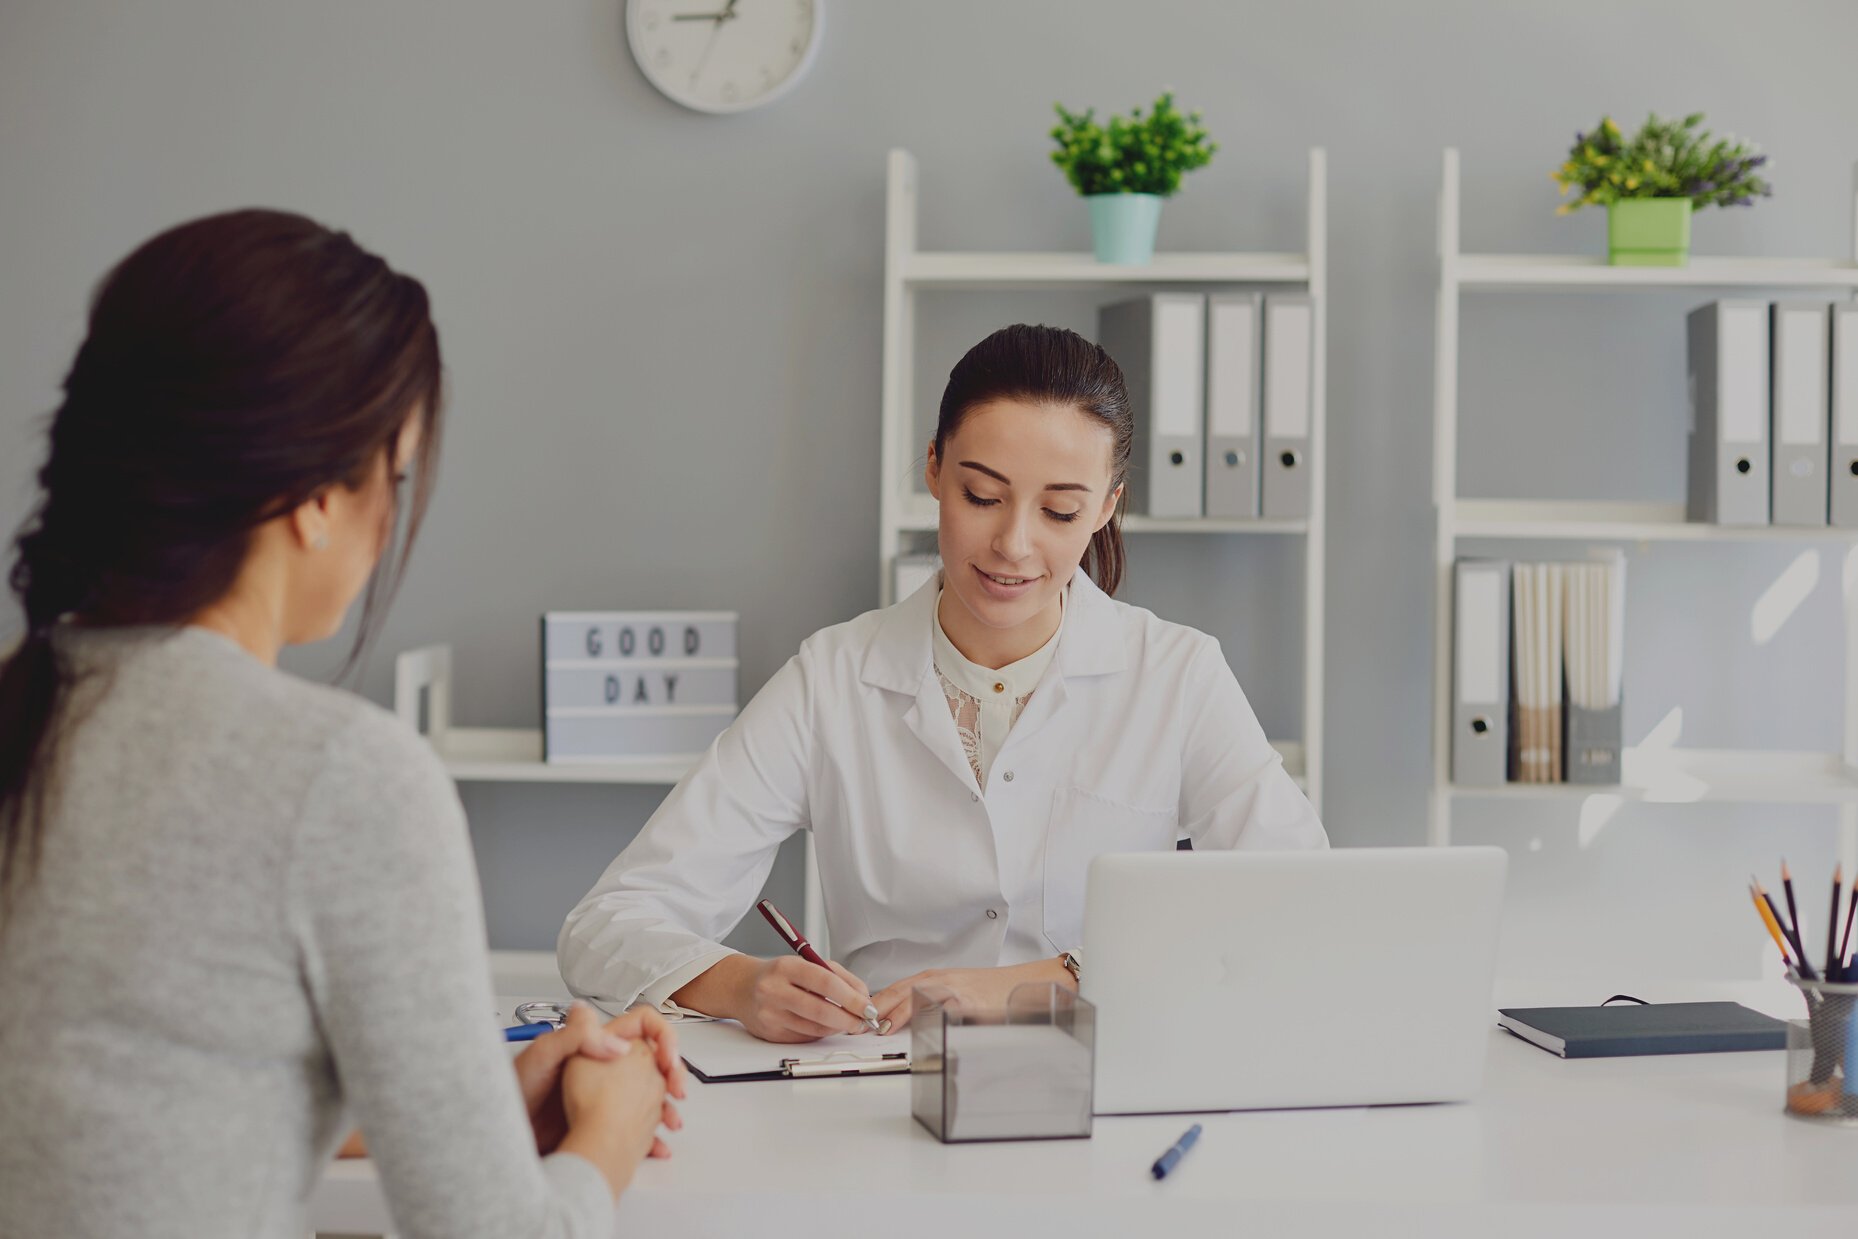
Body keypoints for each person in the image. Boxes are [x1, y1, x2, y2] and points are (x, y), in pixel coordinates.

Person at [0, 210, 684, 1239]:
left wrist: (477, 1102)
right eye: (392, 478)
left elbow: (132, 1116)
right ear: (317, 496)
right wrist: (610, 1137)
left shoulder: (28, 709)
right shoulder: (336, 776)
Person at [559, 323, 1326, 1042]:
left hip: (1106, 1087)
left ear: (1106, 508)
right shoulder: (831, 680)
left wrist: (1045, 980)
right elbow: (607, 923)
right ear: (933, 467)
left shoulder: (1177, 675)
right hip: (881, 1092)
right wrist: (741, 984)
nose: (1014, 544)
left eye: (1060, 511)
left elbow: (1302, 900)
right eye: (982, 496)